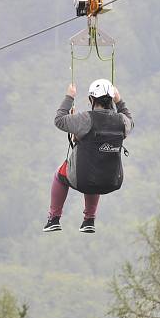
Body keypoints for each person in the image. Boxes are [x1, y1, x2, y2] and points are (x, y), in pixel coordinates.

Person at [44, 78, 133, 233]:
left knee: (60, 175)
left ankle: (53, 219)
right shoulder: (122, 121)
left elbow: (59, 120)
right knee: (97, 165)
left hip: (84, 179)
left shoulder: (85, 119)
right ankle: (89, 220)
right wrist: (120, 102)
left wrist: (69, 97)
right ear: (111, 99)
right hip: (112, 181)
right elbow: (130, 121)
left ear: (91, 99)